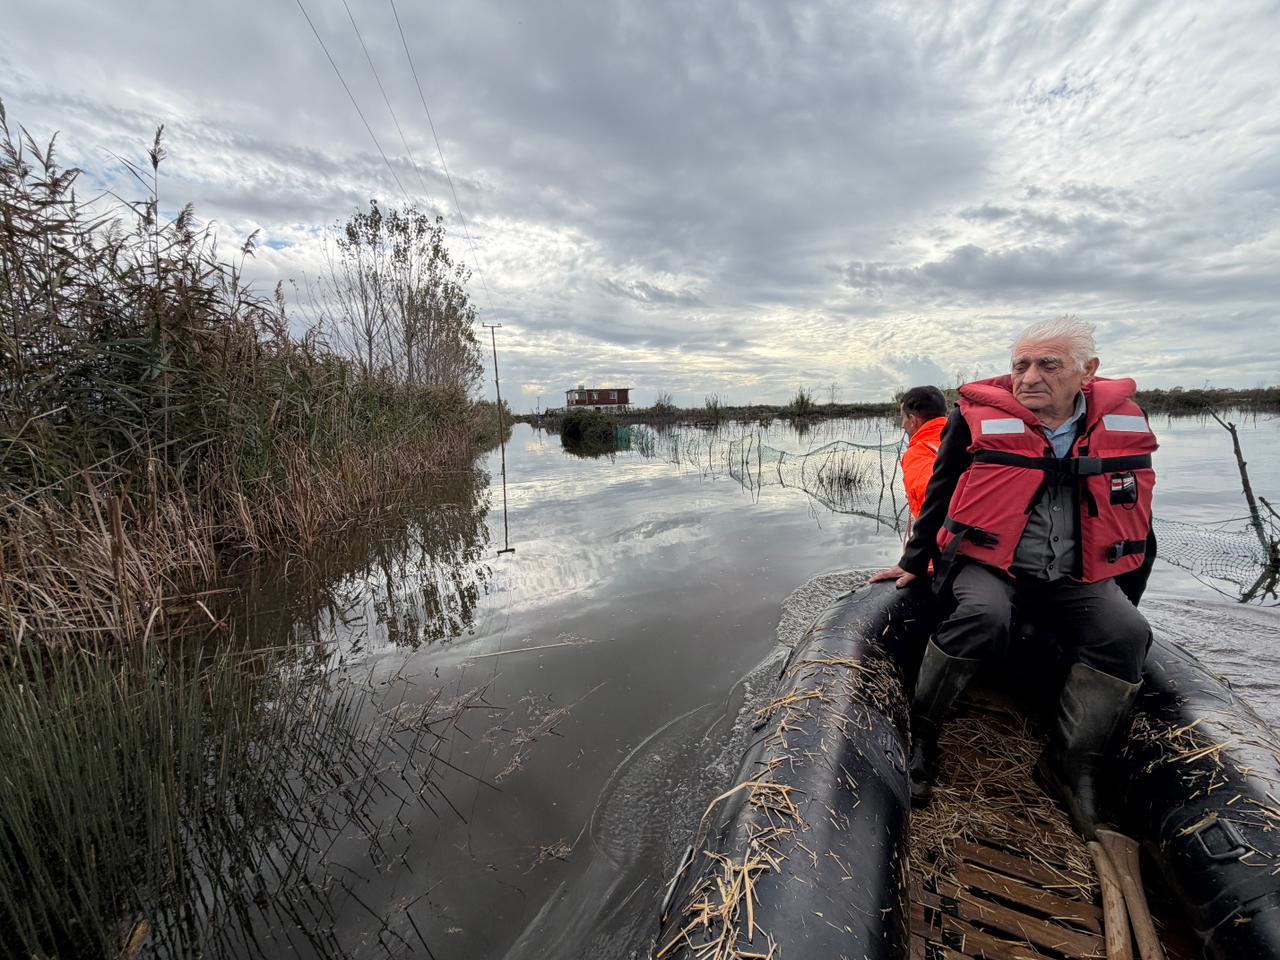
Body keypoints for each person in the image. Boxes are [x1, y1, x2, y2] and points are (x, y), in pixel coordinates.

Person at [871, 316, 1157, 840]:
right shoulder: (973, 419)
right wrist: (914, 562)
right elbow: (938, 494)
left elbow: (1136, 517)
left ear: (1087, 372)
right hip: (990, 566)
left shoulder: (1118, 426)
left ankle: (1072, 767)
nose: (1029, 377)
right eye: (1020, 365)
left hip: (1074, 575)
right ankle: (923, 735)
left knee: (1127, 634)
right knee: (983, 615)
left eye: (1048, 365)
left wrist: (1125, 595)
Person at [898, 386, 948, 522]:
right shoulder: (965, 438)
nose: (903, 425)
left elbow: (934, 507)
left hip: (944, 539)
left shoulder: (917, 454)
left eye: (903, 418)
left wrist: (920, 541)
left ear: (913, 420)